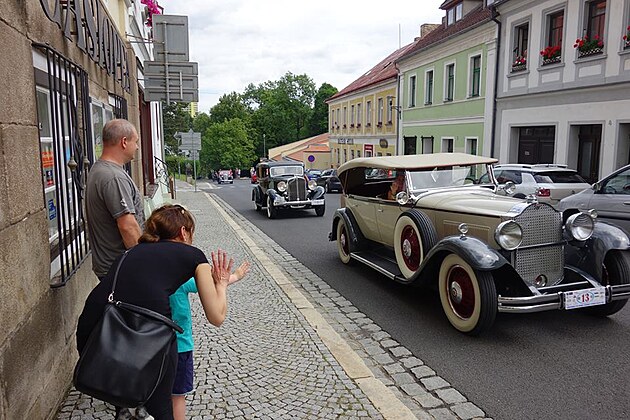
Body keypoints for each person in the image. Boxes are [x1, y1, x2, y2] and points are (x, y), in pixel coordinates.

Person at [76, 204, 249, 420]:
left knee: (126, 400)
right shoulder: (194, 255)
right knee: (162, 409)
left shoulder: (130, 252)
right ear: (184, 232)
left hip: (96, 334)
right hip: (145, 338)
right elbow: (216, 317)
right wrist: (222, 285)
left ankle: (128, 409)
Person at [169, 259, 248, 420]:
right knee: (177, 396)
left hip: (151, 345)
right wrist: (236, 276)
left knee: (157, 393)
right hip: (180, 346)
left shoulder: (151, 274)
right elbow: (212, 285)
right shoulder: (177, 276)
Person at [86, 118, 144, 281]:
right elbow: (128, 227)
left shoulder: (100, 169)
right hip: (121, 270)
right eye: (136, 141)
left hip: (114, 267)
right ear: (124, 142)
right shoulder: (113, 177)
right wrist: (145, 264)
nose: (137, 147)